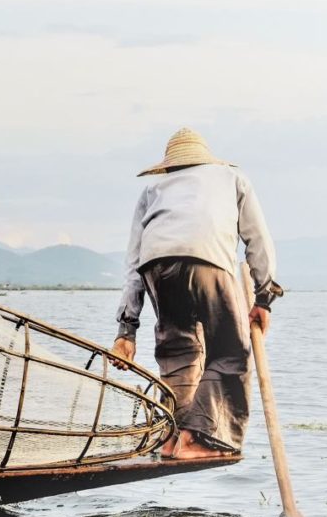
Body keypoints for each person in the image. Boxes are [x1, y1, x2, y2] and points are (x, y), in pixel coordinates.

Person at [110, 128, 283, 459]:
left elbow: (133, 262)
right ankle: (199, 439)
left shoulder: (153, 188)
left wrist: (126, 330)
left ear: (170, 166)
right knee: (230, 350)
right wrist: (264, 299)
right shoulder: (232, 178)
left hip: (155, 267)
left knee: (178, 352)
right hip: (207, 260)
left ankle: (172, 437)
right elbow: (258, 240)